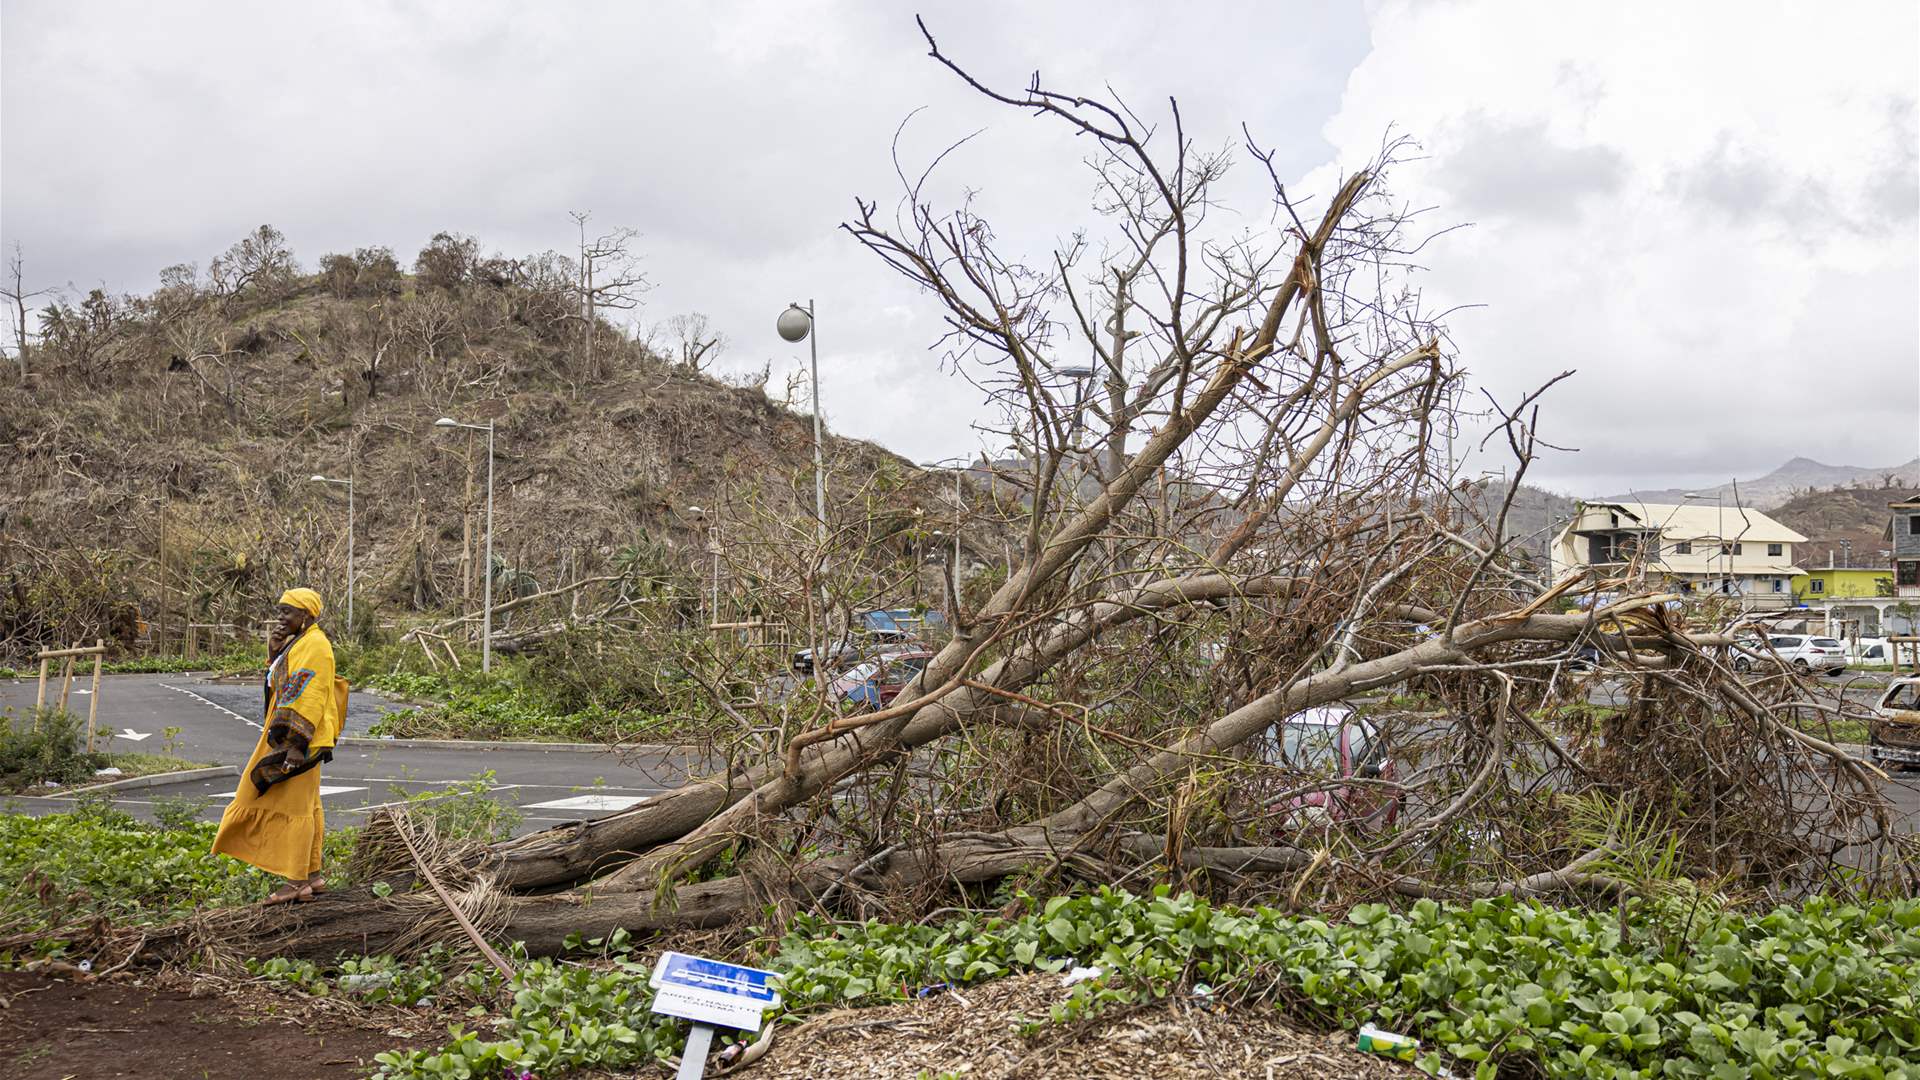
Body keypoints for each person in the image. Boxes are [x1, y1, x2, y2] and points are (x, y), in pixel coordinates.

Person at [211, 587, 342, 904]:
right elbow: (281, 684)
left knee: (289, 804)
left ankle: (296, 881)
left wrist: (296, 745)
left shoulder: (316, 646)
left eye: (287, 612)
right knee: (306, 805)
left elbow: (310, 696)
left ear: (306, 615)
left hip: (299, 740)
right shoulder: (300, 643)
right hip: (294, 736)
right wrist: (273, 652)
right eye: (280, 610)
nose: (280, 617)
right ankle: (311, 876)